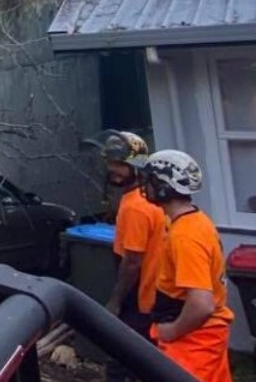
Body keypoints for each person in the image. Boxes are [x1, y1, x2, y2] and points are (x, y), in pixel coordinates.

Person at [134, 149, 234, 382]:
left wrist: (172, 330)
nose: (144, 187)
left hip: (192, 341)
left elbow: (201, 304)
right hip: (207, 334)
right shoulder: (195, 221)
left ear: (162, 187)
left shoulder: (185, 236)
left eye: (149, 181)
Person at [82, 130, 165, 382]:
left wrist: (115, 301)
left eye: (120, 164)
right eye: (110, 162)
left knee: (120, 364)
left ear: (136, 166)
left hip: (140, 299)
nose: (113, 169)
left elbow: (132, 262)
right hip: (152, 297)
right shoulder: (146, 199)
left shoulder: (136, 207)